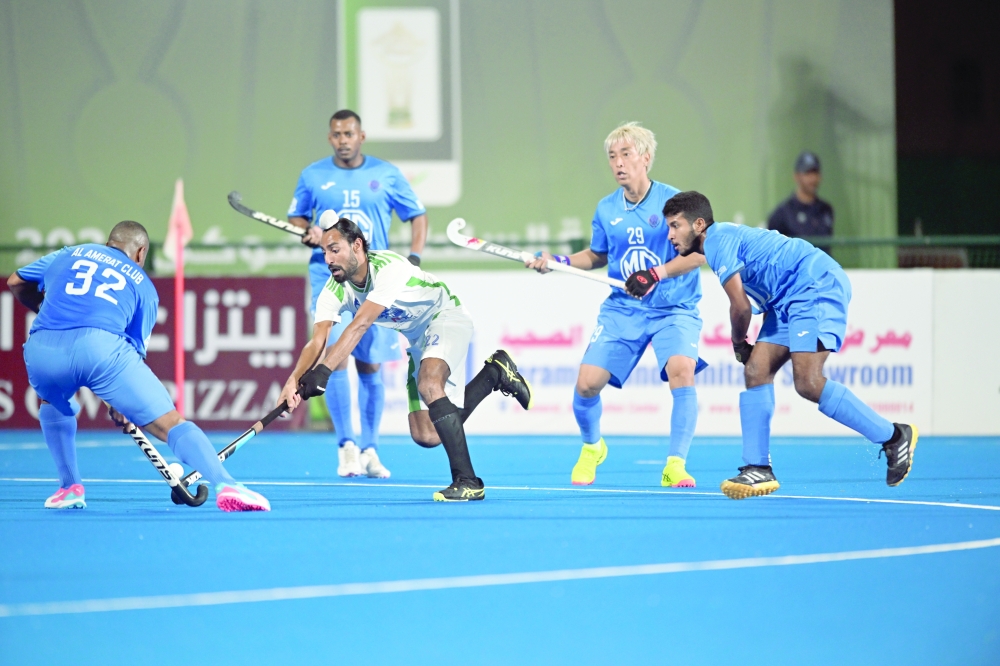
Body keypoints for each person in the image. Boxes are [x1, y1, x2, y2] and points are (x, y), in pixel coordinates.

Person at [664, 191, 918, 499]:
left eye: (675, 225)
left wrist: (738, 342)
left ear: (699, 225)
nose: (670, 235)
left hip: (813, 284)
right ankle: (758, 468)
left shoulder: (716, 241)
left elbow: (740, 307)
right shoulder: (718, 240)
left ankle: (894, 436)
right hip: (785, 299)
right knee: (756, 370)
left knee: (808, 381)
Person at [6, 221, 269, 511]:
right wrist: (121, 403)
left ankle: (69, 488)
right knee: (171, 423)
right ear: (141, 252)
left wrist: (42, 309)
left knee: (52, 402)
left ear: (109, 242)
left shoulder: (69, 253)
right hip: (100, 349)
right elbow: (130, 352)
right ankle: (227, 484)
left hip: (42, 349)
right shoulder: (144, 286)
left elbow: (16, 282)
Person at [278, 216, 532, 501]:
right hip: (417, 338)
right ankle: (494, 374)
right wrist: (293, 381)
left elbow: (360, 324)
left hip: (445, 316)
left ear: (357, 245)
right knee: (427, 435)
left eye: (334, 250)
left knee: (429, 383)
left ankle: (468, 481)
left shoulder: (387, 268)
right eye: (324, 252)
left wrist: (324, 371)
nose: (328, 259)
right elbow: (318, 341)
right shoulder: (334, 289)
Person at [526, 122, 706, 488]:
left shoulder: (674, 202)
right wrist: (559, 261)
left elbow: (699, 254)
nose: (618, 163)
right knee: (586, 385)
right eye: (612, 156)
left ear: (646, 158)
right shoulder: (607, 209)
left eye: (626, 154)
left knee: (681, 370)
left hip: (673, 307)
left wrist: (655, 274)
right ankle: (592, 447)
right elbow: (597, 255)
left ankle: (675, 465)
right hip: (624, 309)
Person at [287, 109, 429, 479]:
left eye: (349, 134)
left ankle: (370, 449)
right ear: (330, 138)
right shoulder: (313, 175)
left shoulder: (386, 174)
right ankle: (346, 446)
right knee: (333, 355)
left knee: (370, 365)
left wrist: (414, 257)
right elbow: (296, 218)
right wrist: (307, 230)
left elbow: (418, 215)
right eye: (336, 134)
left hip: (373, 279)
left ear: (361, 136)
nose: (343, 140)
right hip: (329, 276)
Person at [766, 151, 834, 253]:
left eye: (815, 173)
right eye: (807, 173)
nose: (812, 179)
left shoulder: (826, 210)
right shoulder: (782, 214)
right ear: (796, 176)